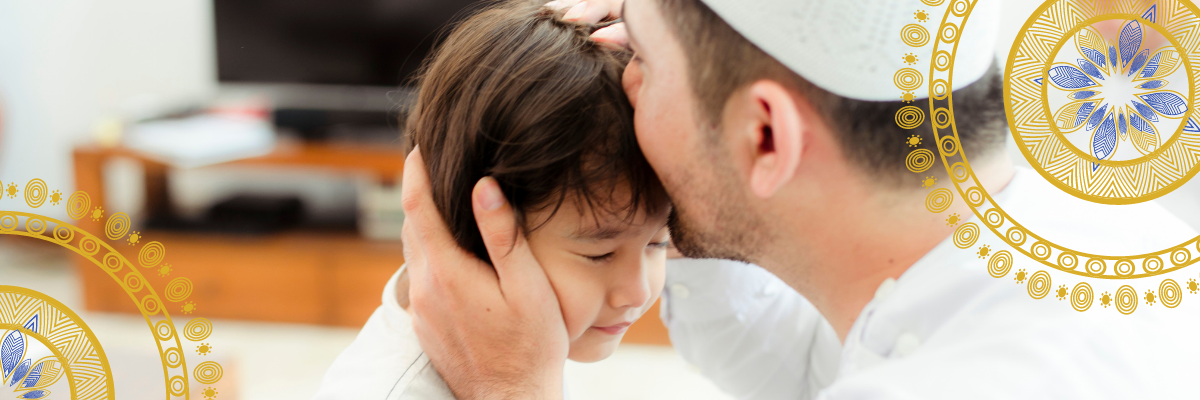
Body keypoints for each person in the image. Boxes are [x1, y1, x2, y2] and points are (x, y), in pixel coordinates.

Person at [400, 0, 1200, 398]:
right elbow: (789, 358)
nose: (624, 79)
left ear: (768, 138)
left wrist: (512, 392)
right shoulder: (1070, 237)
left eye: (640, 57)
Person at [314, 1, 672, 397]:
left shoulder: (550, 339)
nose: (638, 293)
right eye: (600, 254)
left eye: (659, 242)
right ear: (473, 232)